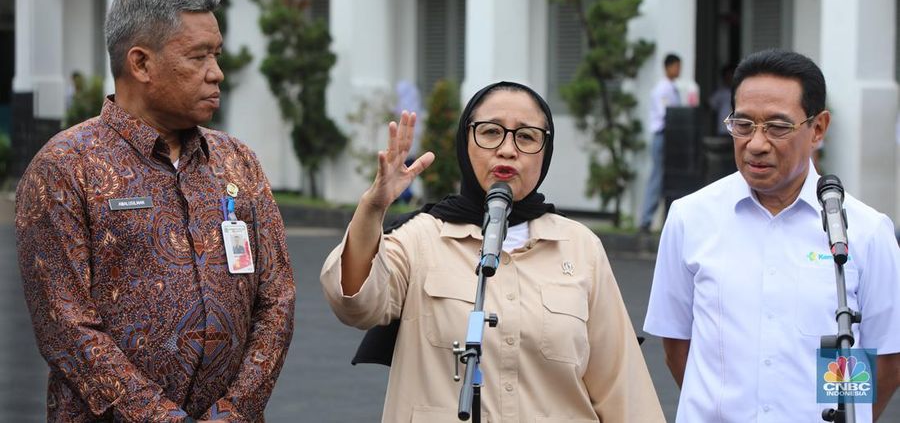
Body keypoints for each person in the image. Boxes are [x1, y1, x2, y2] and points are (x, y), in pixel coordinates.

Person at [16, 0, 295, 422]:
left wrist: (235, 410)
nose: (216, 72)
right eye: (198, 56)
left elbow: (277, 297)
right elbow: (64, 324)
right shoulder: (67, 167)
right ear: (141, 64)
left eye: (216, 55)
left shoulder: (238, 162)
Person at [320, 81, 665, 422]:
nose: (507, 149)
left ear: (546, 152)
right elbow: (354, 303)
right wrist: (372, 209)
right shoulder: (420, 239)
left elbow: (622, 385)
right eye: (490, 133)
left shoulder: (579, 247)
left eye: (527, 136)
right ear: (465, 141)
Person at [643, 49, 900, 422]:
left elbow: (885, 359)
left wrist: (838, 414)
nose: (757, 143)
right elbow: (676, 346)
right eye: (743, 125)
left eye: (777, 127)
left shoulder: (863, 232)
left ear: (818, 128)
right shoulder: (691, 218)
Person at [639, 53, 682, 232]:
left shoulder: (671, 87)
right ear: (668, 67)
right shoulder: (663, 89)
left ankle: (659, 219)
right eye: (676, 66)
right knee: (657, 178)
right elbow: (666, 113)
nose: (678, 70)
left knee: (666, 178)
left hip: (669, 136)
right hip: (662, 135)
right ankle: (646, 220)